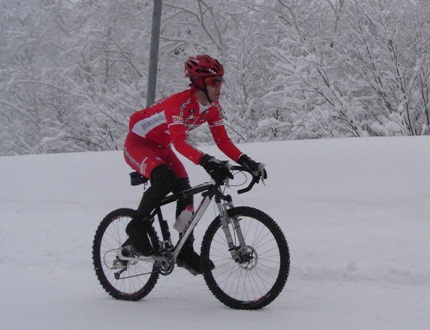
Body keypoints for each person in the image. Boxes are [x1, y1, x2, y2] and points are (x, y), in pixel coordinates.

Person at [123, 54, 267, 275]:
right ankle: (137, 226)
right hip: (138, 145)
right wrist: (206, 160)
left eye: (221, 81)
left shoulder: (212, 108)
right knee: (164, 179)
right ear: (198, 83)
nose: (219, 87)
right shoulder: (178, 104)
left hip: (162, 147)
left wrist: (246, 161)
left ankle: (185, 249)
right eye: (213, 82)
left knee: (185, 191)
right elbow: (180, 143)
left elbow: (223, 141)